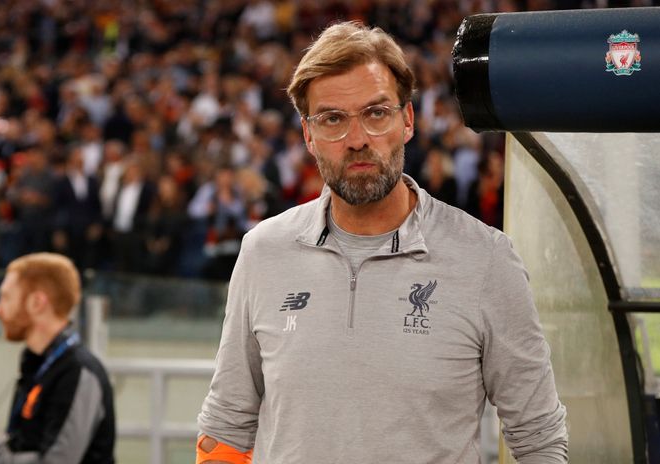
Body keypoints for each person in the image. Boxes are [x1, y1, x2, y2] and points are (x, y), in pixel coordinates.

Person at [196, 21, 567, 464]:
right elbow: (226, 428)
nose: (357, 140)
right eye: (332, 119)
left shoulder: (485, 259)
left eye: (376, 113)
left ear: (407, 120)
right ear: (307, 135)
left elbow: (539, 440)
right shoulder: (263, 251)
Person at [0, 253, 115, 464]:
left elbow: (58, 461)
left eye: (6, 298)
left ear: (37, 303)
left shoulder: (77, 370)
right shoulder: (36, 363)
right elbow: (19, 441)